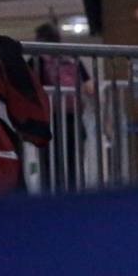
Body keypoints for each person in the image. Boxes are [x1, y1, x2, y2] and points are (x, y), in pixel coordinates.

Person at [34, 22, 92, 191]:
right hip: (73, 117)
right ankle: (72, 196)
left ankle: (49, 196)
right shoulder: (72, 58)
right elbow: (90, 88)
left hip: (49, 119)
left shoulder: (37, 60)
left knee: (49, 161)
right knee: (73, 160)